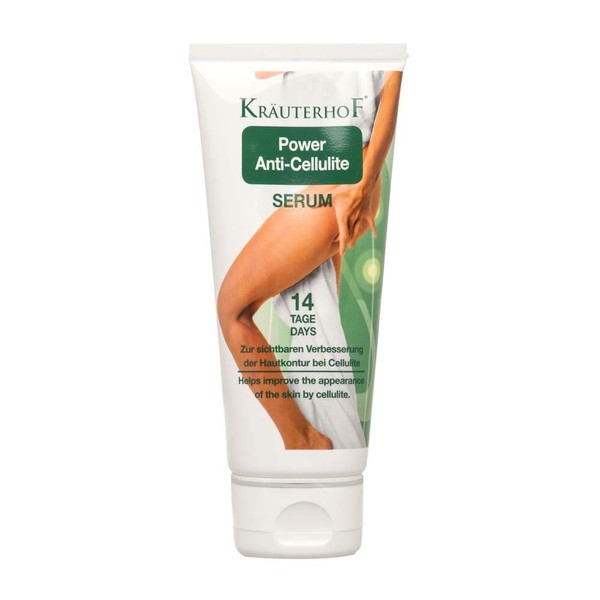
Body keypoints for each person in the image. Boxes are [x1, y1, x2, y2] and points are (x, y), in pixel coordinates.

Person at [217, 71, 402, 449]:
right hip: (322, 168)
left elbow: (392, 86)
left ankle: (303, 440)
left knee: (232, 309)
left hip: (343, 175)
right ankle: (328, 450)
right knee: (315, 330)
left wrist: (364, 184)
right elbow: (260, 74)